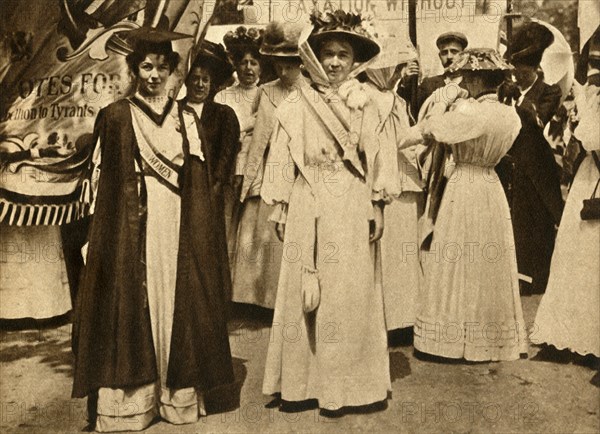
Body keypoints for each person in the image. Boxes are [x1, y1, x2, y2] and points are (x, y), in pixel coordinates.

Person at [71, 24, 235, 431]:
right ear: (133, 69)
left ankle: (175, 395)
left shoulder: (187, 118)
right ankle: (134, 404)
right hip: (130, 227)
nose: (154, 75)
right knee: (130, 300)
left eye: (162, 67)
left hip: (177, 225)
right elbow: (102, 183)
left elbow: (197, 182)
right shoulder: (115, 116)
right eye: (146, 66)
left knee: (176, 298)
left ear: (173, 70)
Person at [261, 10, 393, 413]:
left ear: (355, 61)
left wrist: (378, 204)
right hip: (307, 197)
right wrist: (281, 204)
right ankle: (302, 385)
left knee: (349, 292)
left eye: (343, 54)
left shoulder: (366, 101)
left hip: (351, 201)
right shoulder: (298, 101)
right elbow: (283, 155)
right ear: (314, 57)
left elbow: (378, 157)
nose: (335, 62)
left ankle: (350, 388)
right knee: (305, 288)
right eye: (328, 53)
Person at [401, 49, 528, 361]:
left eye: (465, 78)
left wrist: (395, 140)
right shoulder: (510, 114)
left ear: (474, 79)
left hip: (466, 184)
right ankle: (490, 335)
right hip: (491, 186)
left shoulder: (472, 113)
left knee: (458, 256)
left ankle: (452, 338)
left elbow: (431, 130)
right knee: (488, 261)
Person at [531, 30, 600, 357]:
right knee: (579, 253)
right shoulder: (593, 94)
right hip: (593, 177)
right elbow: (588, 138)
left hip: (594, 172)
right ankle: (572, 334)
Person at [232, 21, 306, 309]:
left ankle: (288, 299)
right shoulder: (266, 91)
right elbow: (257, 134)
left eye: (289, 65)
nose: (282, 71)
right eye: (277, 64)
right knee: (260, 231)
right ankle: (257, 299)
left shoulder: (311, 92)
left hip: (299, 168)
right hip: (269, 166)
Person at [496, 22, 563, 295]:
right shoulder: (506, 92)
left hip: (537, 169)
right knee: (511, 223)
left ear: (535, 69)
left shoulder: (549, 92)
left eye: (522, 71)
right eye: (514, 70)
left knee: (536, 224)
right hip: (510, 166)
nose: (517, 76)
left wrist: (518, 104)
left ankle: (536, 279)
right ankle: (514, 277)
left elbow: (539, 123)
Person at [363, 37, 425, 334]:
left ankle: (404, 317)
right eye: (395, 68)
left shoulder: (396, 99)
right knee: (385, 253)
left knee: (403, 252)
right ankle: (384, 319)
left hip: (403, 178)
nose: (399, 74)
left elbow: (404, 139)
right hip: (383, 179)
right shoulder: (368, 97)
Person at [180, 40, 241, 304]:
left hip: (210, 190)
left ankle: (213, 302)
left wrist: (214, 187)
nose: (200, 84)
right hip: (182, 189)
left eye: (205, 79)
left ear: (212, 83)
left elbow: (227, 156)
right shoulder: (175, 111)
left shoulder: (223, 115)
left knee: (210, 244)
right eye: (195, 78)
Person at [1, 145, 73, 321]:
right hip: (9, 179)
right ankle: (11, 312)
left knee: (43, 234)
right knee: (15, 237)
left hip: (41, 176)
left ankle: (48, 309)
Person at [215, 26, 264, 259]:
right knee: (226, 224)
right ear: (235, 64)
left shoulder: (266, 96)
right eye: (243, 62)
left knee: (251, 228)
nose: (248, 68)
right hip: (229, 166)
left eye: (254, 62)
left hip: (257, 169)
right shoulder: (223, 96)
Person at [398, 31, 468, 119]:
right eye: (444, 53)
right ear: (439, 56)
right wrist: (406, 81)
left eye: (454, 52)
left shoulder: (473, 84)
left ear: (463, 56)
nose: (449, 56)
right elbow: (407, 108)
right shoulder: (429, 84)